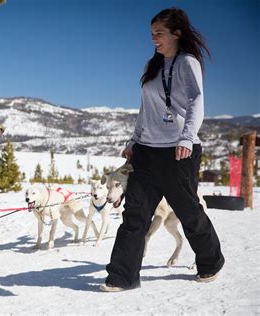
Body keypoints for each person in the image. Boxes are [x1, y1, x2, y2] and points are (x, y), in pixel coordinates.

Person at [100, 8, 225, 292]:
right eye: (151, 34)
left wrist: (186, 137)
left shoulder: (187, 63)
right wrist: (134, 140)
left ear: (176, 33)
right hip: (146, 151)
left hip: (178, 152)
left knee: (188, 211)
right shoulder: (152, 66)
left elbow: (196, 100)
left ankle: (211, 261)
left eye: (159, 33)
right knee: (135, 215)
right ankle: (122, 276)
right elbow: (147, 108)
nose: (154, 39)